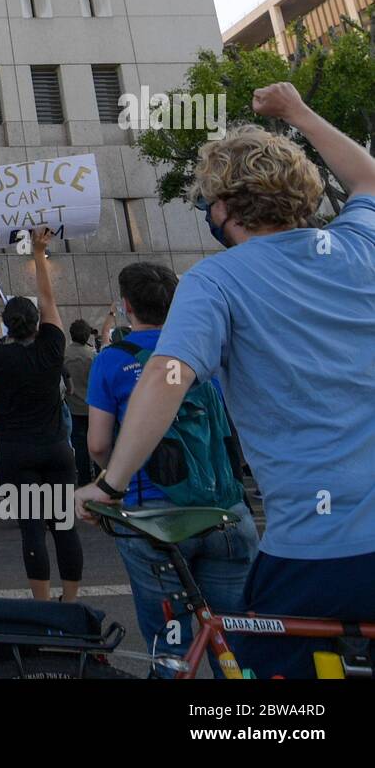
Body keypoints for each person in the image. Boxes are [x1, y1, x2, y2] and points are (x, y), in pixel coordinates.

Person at [77, 82, 375, 679]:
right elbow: (367, 177)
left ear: (228, 210)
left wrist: (110, 486)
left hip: (321, 546)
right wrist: (298, 113)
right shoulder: (358, 244)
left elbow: (167, 377)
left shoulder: (217, 281)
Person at [85, 261, 258, 677]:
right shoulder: (207, 350)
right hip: (225, 513)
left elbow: (98, 443)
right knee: (233, 643)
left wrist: (113, 480)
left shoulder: (112, 360)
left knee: (171, 647)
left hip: (153, 521)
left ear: (127, 306)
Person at [0, 228, 83, 601]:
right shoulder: (53, 345)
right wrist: (40, 253)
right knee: (64, 527)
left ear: (8, 326)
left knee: (32, 529)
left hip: (17, 453)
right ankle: (70, 601)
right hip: (57, 449)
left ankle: (41, 604)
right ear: (38, 323)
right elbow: (48, 298)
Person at [63, 320, 96, 486]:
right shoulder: (93, 355)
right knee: (96, 442)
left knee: (79, 445)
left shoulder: (64, 355)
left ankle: (83, 479)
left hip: (73, 406)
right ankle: (99, 477)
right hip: (93, 407)